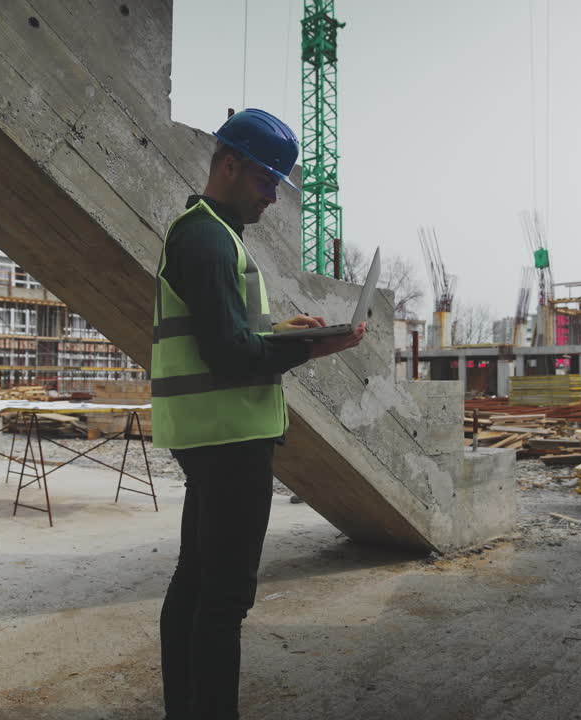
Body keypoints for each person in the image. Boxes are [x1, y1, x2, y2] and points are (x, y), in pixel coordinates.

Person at [153, 108, 366, 720]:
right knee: (224, 598)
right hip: (227, 435)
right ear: (229, 165)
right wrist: (313, 345)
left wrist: (279, 328)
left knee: (196, 581)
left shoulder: (211, 234)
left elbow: (225, 332)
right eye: (267, 181)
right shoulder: (207, 237)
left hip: (214, 434)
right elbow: (226, 353)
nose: (274, 196)